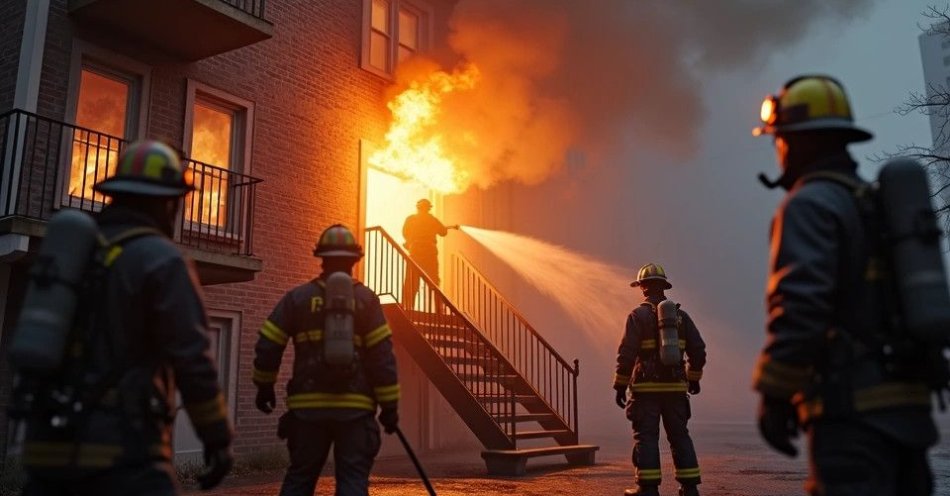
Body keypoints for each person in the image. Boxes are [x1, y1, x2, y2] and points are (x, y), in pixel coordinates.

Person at [751, 75, 938, 495]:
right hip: (909, 412)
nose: (778, 149)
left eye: (779, 139)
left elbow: (800, 306)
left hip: (851, 415)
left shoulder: (809, 204)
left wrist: (775, 392)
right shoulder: (873, 203)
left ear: (796, 142)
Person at [13, 140, 233, 495]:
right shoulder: (160, 259)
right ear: (168, 202)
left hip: (47, 449)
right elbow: (193, 358)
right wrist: (217, 437)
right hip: (123, 453)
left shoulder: (73, 254)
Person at [252, 224, 400, 496]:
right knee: (353, 481)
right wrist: (390, 407)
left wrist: (264, 386)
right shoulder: (366, 300)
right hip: (355, 410)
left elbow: (268, 343)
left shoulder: (298, 298)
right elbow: (382, 357)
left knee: (300, 478)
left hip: (307, 409)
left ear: (321, 258)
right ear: (355, 260)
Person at [614, 264, 706, 496]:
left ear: (643, 287)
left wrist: (620, 384)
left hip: (645, 390)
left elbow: (626, 353)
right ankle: (690, 488)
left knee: (646, 437)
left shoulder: (638, 316)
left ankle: (647, 489)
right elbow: (698, 350)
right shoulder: (681, 317)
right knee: (680, 436)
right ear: (664, 286)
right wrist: (693, 379)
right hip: (676, 389)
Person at [401, 198, 458, 310]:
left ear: (418, 208)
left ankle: (407, 307)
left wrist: (410, 241)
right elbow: (443, 232)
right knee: (434, 281)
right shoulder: (432, 219)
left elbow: (405, 233)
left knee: (412, 280)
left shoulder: (411, 219)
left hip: (415, 250)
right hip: (430, 251)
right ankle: (438, 310)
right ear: (428, 208)